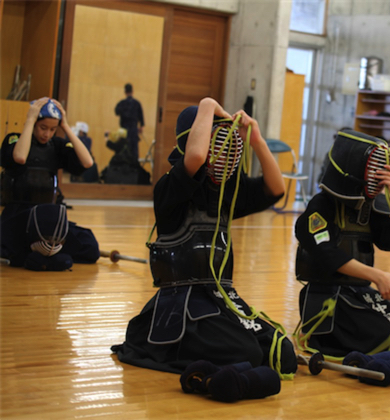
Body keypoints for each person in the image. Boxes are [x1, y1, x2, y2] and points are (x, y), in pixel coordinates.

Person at [111, 97, 298, 377]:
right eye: (216, 146)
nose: (222, 156)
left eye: (227, 149)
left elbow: (276, 189)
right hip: (181, 304)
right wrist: (208, 104)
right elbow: (196, 158)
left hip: (219, 297)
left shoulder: (225, 192)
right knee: (247, 353)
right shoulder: (169, 188)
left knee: (281, 352)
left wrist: (256, 139)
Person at [294, 129, 390, 358]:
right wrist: (377, 276)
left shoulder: (369, 207)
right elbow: (327, 254)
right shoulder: (321, 205)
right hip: (328, 297)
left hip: (360, 293)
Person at [0, 97, 99, 270]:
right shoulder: (14, 139)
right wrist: (30, 119)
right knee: (9, 245)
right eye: (43, 127)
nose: (47, 134)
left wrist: (66, 126)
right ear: (34, 123)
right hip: (19, 214)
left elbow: (87, 162)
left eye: (53, 129)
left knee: (90, 246)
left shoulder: (57, 146)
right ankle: (46, 257)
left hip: (48, 216)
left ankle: (42, 257)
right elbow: (20, 157)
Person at [115, 83, 144, 161]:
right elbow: (141, 116)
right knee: (134, 151)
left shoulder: (121, 103)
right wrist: (141, 126)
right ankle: (134, 168)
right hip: (133, 129)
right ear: (132, 91)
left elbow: (116, 112)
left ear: (125, 92)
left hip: (123, 130)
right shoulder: (137, 103)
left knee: (122, 149)